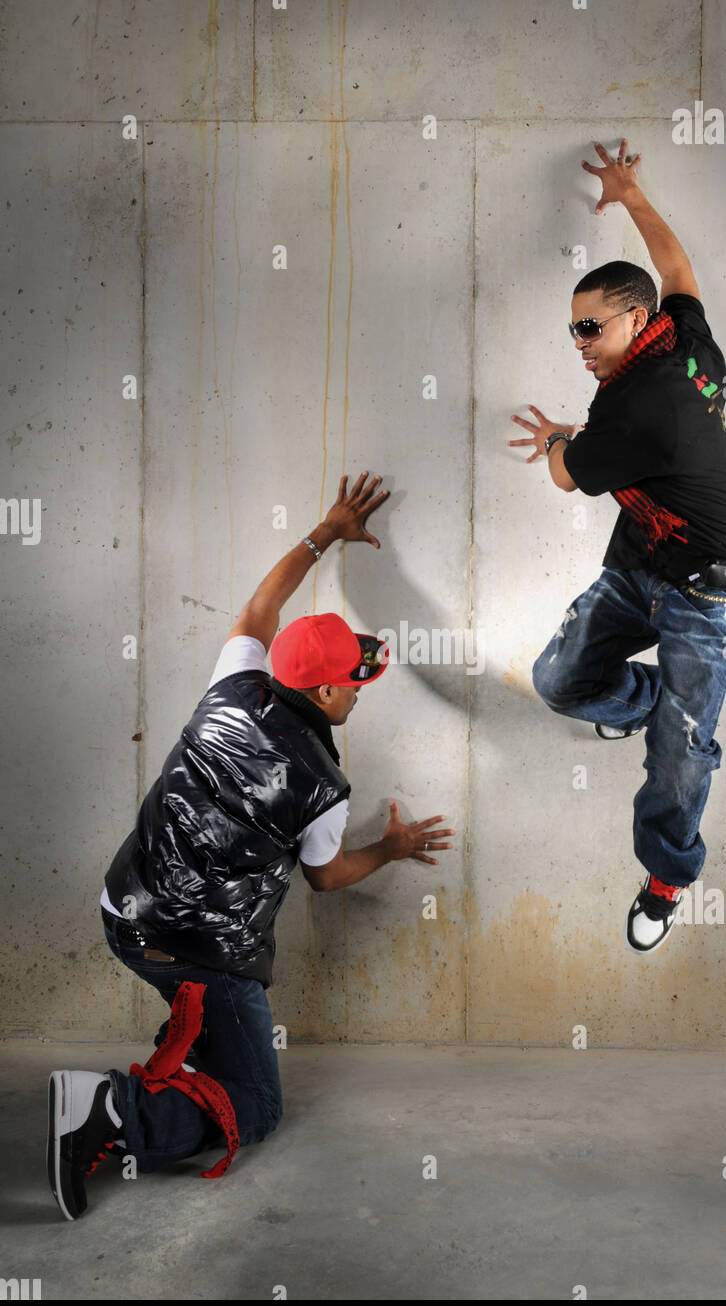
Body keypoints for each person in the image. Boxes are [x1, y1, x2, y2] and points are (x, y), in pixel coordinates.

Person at [48, 472, 454, 1220]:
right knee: (258, 1108)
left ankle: (186, 1060)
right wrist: (391, 849)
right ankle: (108, 1108)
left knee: (219, 1042)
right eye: (355, 680)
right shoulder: (325, 787)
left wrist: (324, 531)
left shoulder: (236, 679)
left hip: (122, 909)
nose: (361, 690)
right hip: (196, 949)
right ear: (327, 694)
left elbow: (259, 607)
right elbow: (327, 879)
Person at [508, 139, 726, 954]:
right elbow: (678, 268)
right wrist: (628, 193)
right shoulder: (683, 338)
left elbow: (562, 476)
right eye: (571, 327)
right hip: (637, 569)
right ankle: (664, 709)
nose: (578, 341)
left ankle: (666, 876)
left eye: (590, 327)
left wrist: (560, 438)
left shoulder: (637, 412)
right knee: (559, 680)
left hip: (710, 593)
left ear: (631, 320)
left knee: (679, 764)